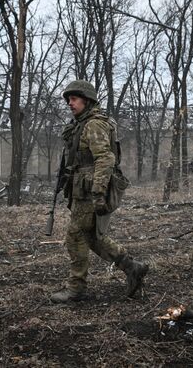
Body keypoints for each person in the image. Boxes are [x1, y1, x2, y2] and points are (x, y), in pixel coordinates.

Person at [50, 80, 149, 303]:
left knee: (75, 236)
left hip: (89, 191)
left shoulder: (93, 125)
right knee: (92, 238)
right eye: (68, 99)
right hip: (81, 189)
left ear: (87, 100)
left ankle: (76, 288)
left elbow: (105, 159)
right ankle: (133, 267)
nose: (69, 103)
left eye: (74, 99)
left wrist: (97, 192)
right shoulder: (80, 124)